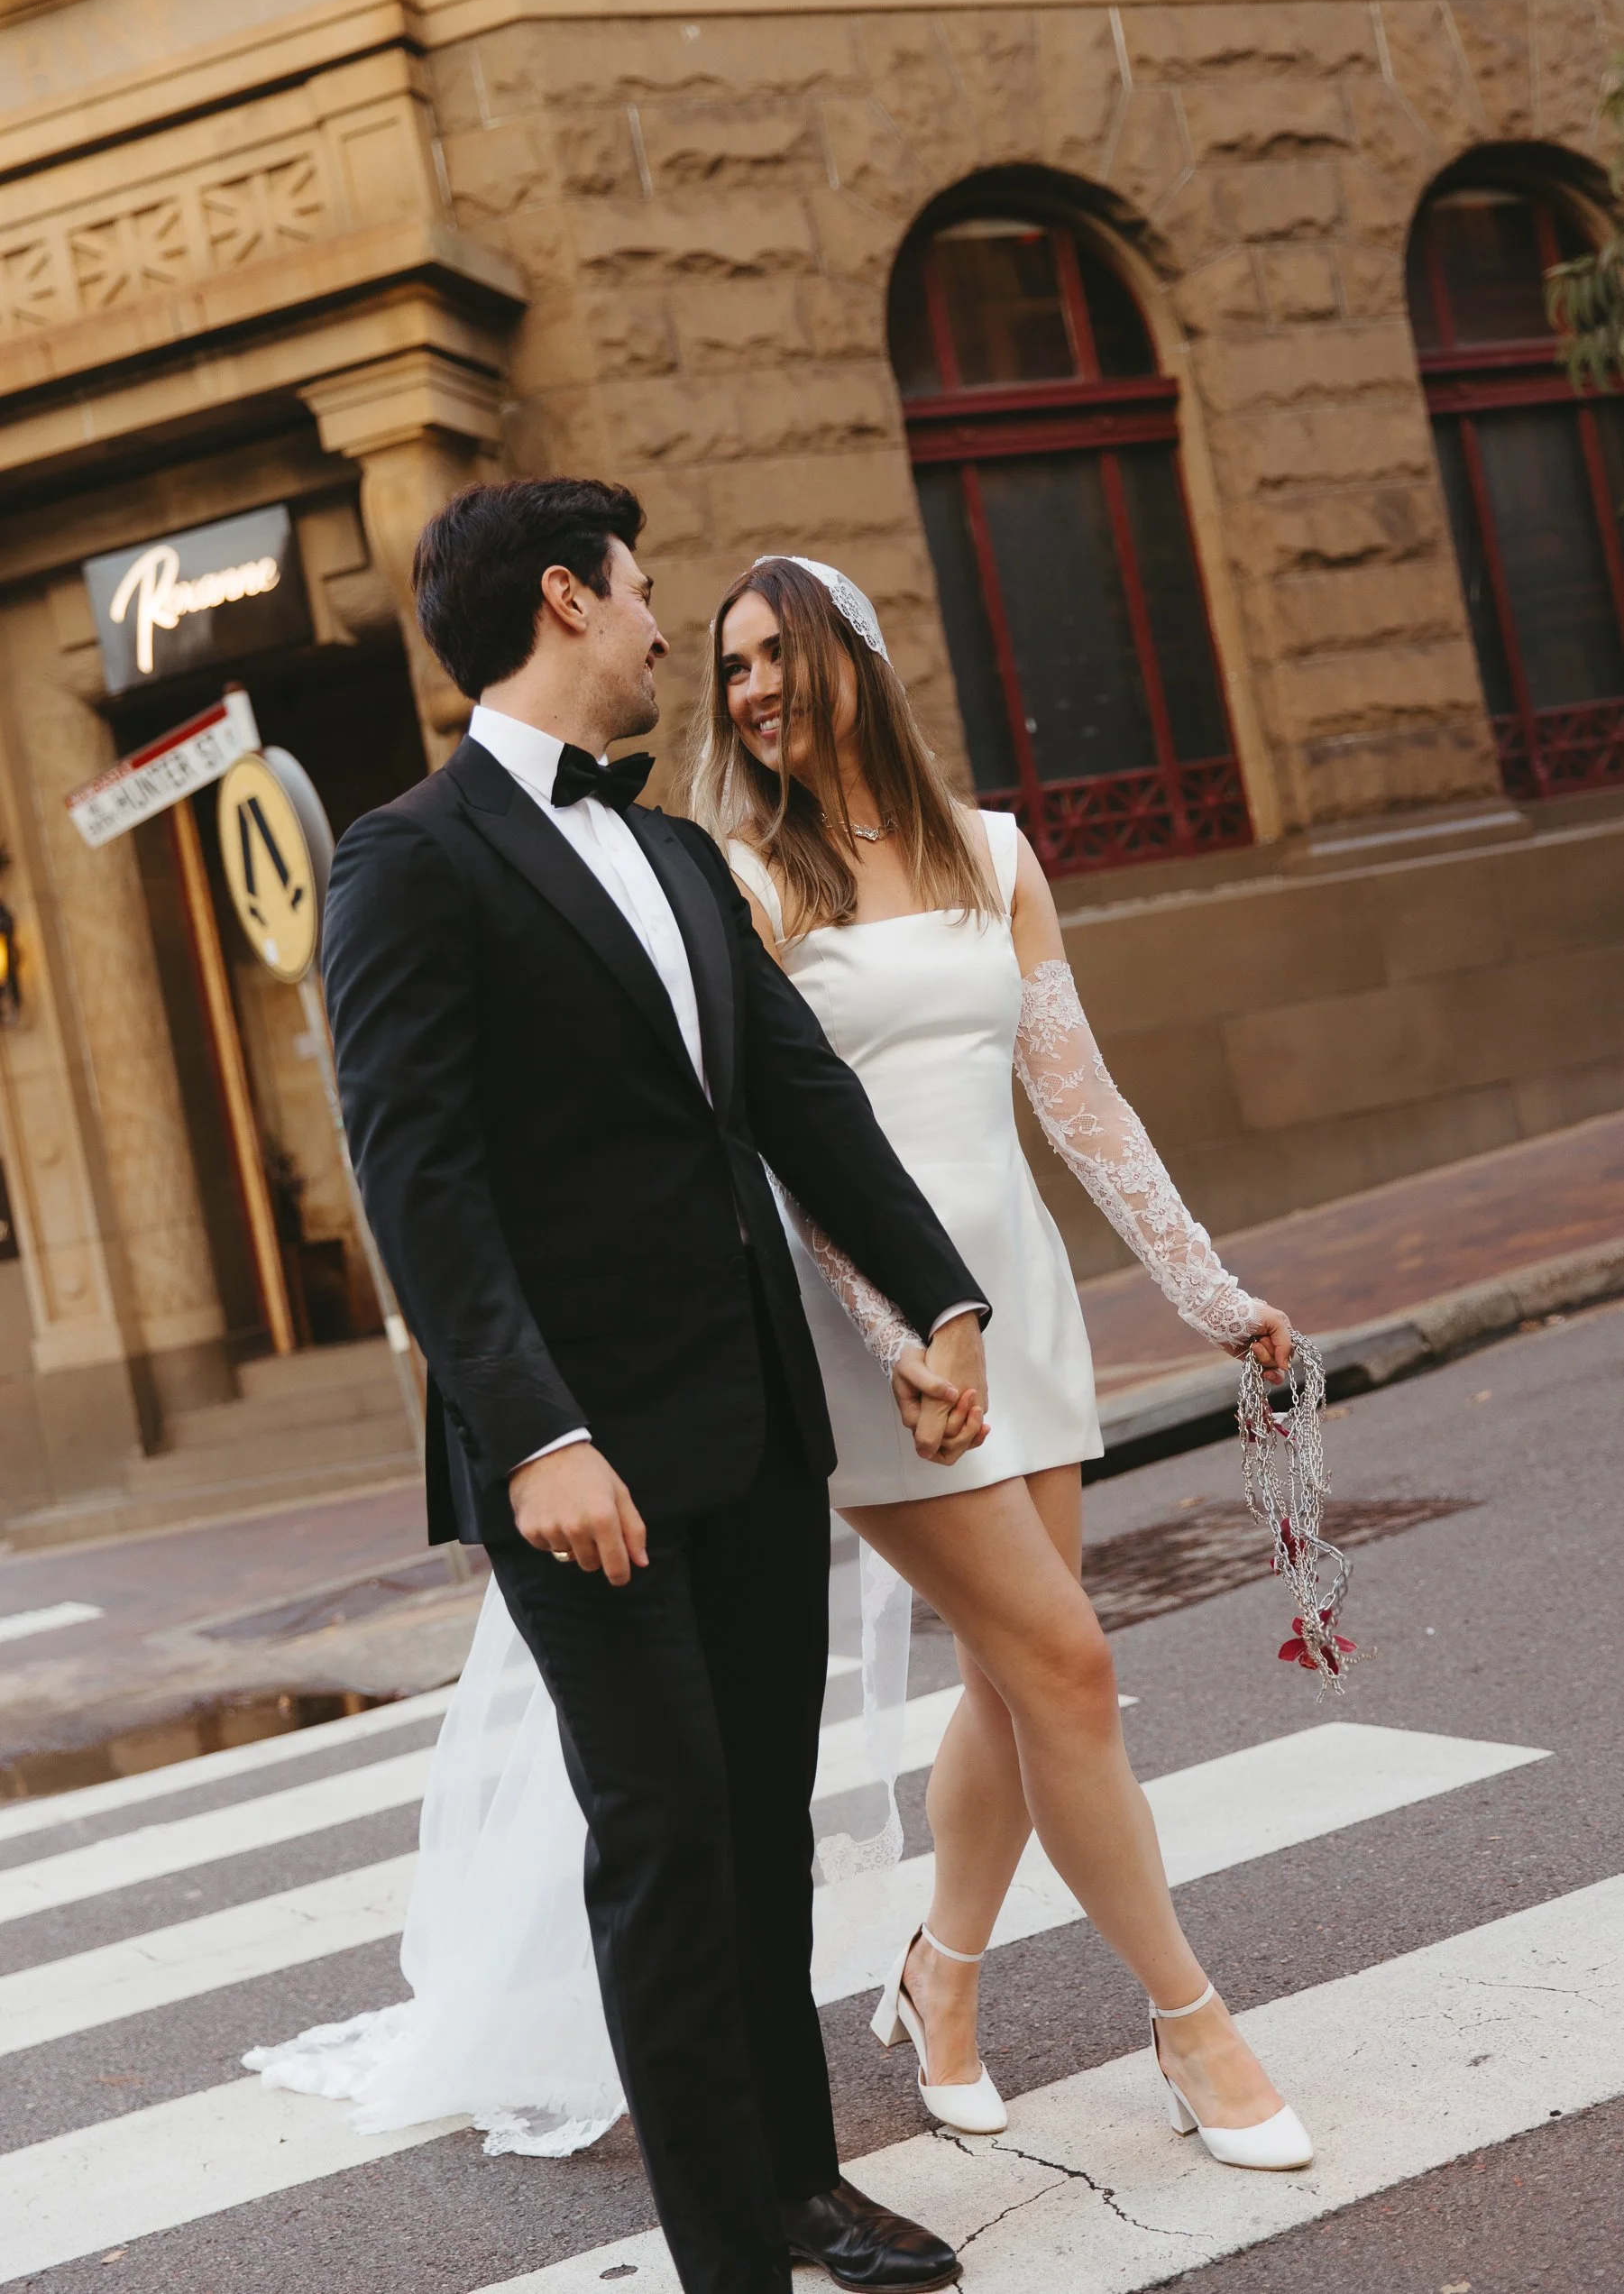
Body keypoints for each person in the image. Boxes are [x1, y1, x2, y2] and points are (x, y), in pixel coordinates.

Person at [314, 480, 996, 2294]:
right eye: (640, 591)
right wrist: (533, 1431)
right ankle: (729, 2260)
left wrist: (940, 1298)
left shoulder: (685, 856)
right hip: (579, 1463)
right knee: (669, 1836)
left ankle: (798, 2184)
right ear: (564, 599)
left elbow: (798, 1103)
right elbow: (419, 1179)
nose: (663, 625)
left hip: (751, 1423)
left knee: (757, 1827)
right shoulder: (410, 857)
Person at [684, 554, 1313, 2172]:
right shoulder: (744, 883)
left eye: (776, 655)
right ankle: (1194, 2023)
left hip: (1019, 1307)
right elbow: (786, 1155)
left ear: (855, 659)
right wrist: (904, 1335)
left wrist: (1210, 1289)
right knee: (1070, 1668)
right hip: (876, 1338)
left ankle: (937, 1979)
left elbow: (1080, 1101)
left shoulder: (996, 853)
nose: (750, 690)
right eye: (729, 668)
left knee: (1011, 1678)